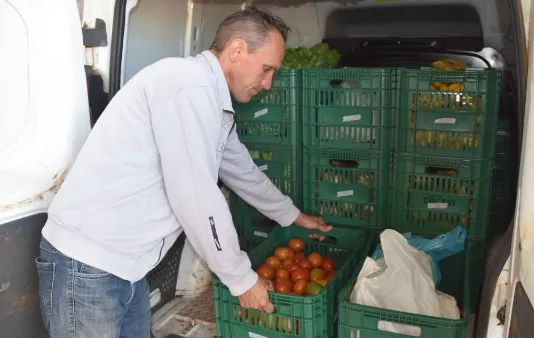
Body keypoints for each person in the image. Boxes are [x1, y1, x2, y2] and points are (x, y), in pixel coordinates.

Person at [35, 6, 331, 338]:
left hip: (127, 268)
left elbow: (243, 171)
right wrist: (240, 278)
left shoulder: (212, 102)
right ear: (236, 50)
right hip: (88, 266)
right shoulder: (187, 85)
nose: (267, 83)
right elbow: (195, 193)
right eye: (266, 69)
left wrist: (291, 215)